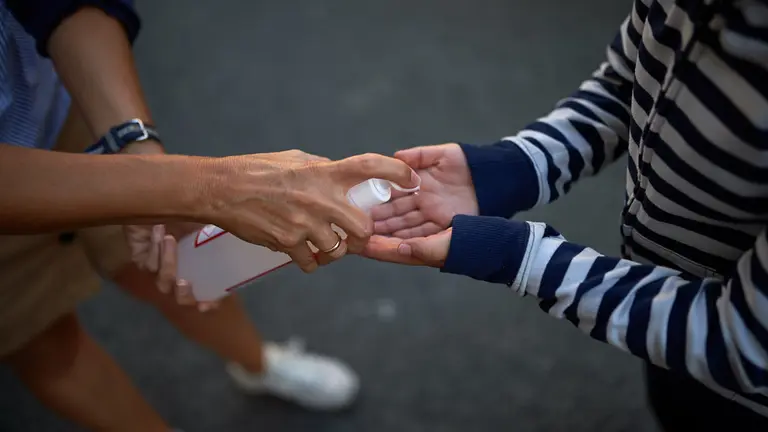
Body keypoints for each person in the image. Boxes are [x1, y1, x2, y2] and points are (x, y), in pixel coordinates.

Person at [0, 1, 418, 430]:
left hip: (60, 104)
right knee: (44, 342)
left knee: (183, 265)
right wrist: (205, 189)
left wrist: (139, 153)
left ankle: (256, 363)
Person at [363, 0, 768, 430]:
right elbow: (628, 82)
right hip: (661, 327)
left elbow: (742, 339)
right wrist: (513, 168)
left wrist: (518, 257)